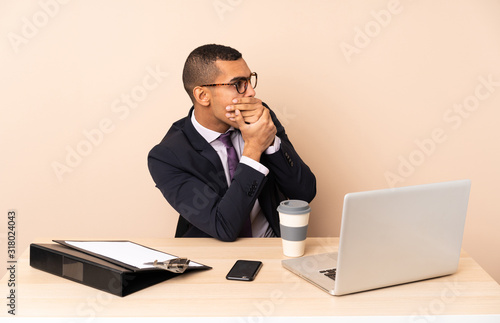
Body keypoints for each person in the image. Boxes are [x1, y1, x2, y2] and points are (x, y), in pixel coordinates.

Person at [148, 44, 316, 241]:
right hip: (213, 257)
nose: (251, 92)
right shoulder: (168, 156)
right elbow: (223, 227)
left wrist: (269, 141)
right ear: (203, 96)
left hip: (271, 247)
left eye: (250, 80)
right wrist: (253, 148)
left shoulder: (259, 117)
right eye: (239, 84)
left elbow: (304, 192)